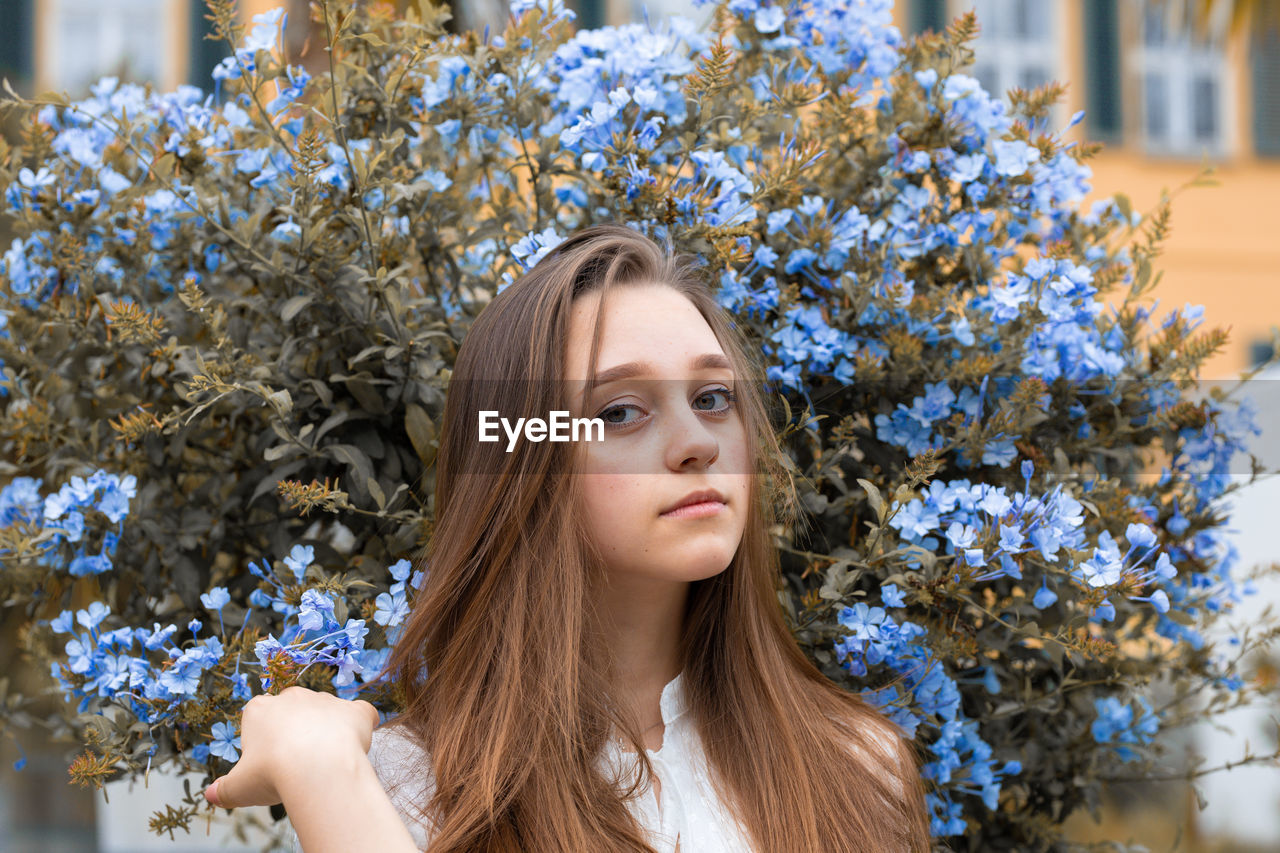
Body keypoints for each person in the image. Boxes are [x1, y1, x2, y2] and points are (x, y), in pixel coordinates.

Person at [204, 224, 931, 852]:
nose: (696, 443)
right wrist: (322, 770)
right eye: (620, 411)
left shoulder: (859, 768)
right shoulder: (404, 791)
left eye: (713, 398)